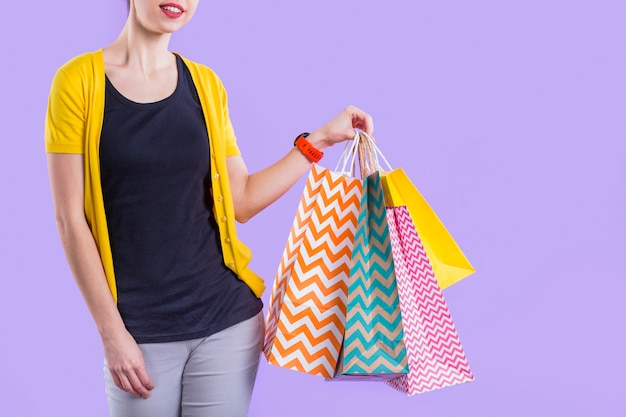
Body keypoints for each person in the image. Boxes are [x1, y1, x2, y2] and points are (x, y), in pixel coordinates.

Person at [45, 1, 373, 416]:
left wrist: (320, 140)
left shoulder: (205, 85)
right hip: (139, 332)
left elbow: (243, 200)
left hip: (227, 324)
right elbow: (70, 219)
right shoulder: (77, 83)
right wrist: (112, 334)